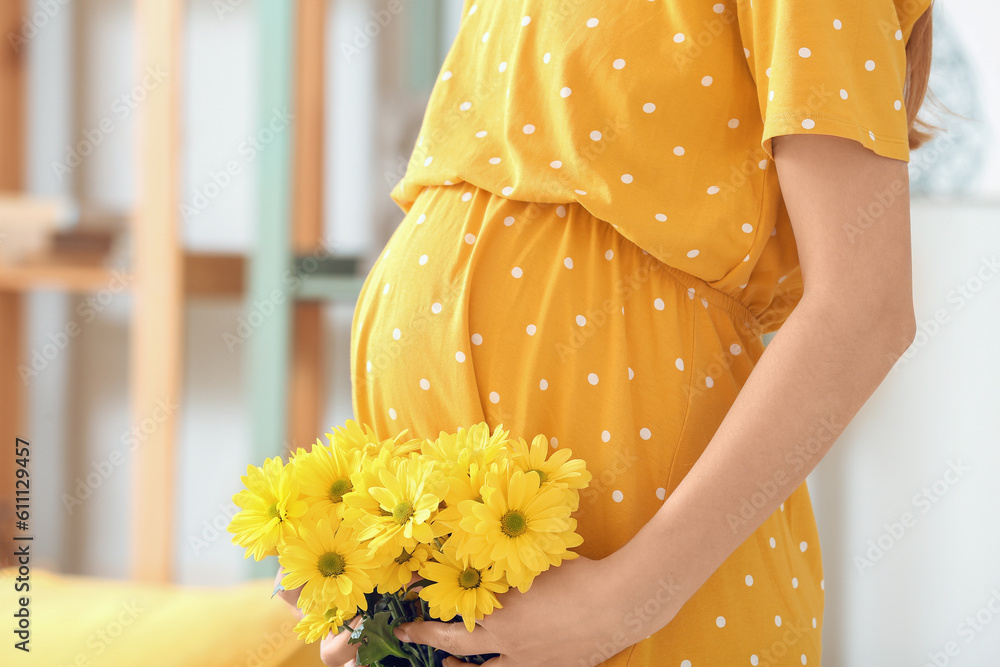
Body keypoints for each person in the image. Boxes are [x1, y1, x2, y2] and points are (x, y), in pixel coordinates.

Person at [283, 0, 937, 664]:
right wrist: (353, 548)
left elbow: (865, 311)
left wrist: (621, 603)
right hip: (448, 552)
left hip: (636, 582)